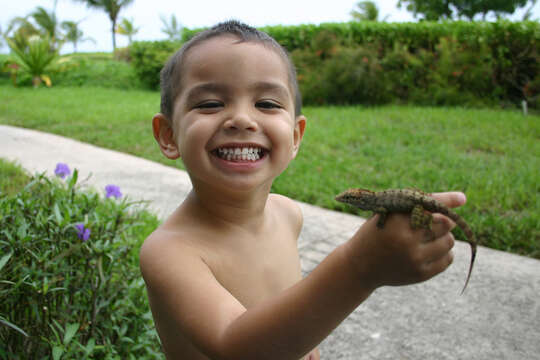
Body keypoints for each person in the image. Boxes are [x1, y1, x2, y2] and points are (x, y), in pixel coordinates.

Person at [140, 20, 464, 360]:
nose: (241, 119)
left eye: (266, 104)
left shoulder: (288, 214)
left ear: (295, 137)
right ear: (168, 135)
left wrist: (303, 342)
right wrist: (359, 267)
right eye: (209, 104)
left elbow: (284, 309)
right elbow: (233, 344)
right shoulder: (170, 252)